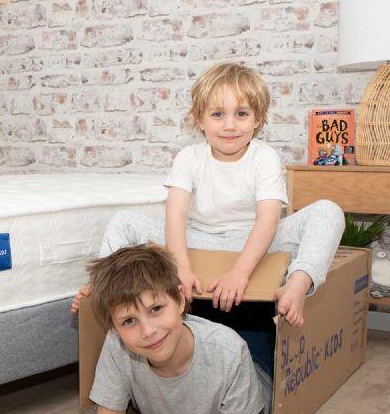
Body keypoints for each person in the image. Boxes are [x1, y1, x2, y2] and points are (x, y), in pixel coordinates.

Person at [72, 62, 343, 327]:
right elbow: (175, 216)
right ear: (199, 119)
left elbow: (268, 221)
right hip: (198, 238)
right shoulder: (189, 157)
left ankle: (298, 285)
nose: (229, 126)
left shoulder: (264, 157)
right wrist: (182, 268)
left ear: (259, 118)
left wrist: (240, 272)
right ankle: (101, 286)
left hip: (254, 241)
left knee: (328, 211)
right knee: (124, 220)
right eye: (217, 115)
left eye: (241, 114)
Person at [86, 244, 272, 414]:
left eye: (156, 309)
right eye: (129, 321)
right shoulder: (117, 346)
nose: (148, 331)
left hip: (256, 370)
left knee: (257, 338)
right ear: (115, 328)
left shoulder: (228, 351)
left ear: (181, 298)